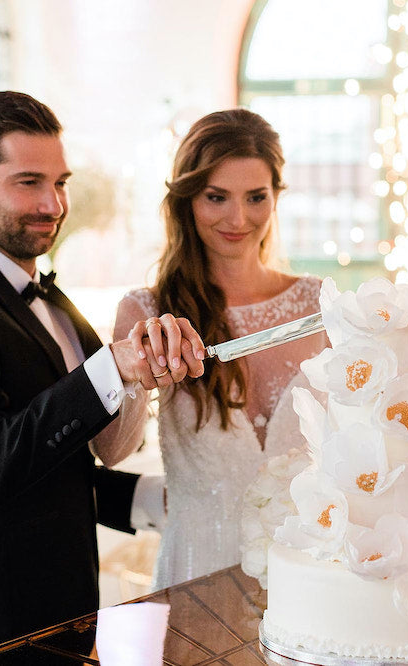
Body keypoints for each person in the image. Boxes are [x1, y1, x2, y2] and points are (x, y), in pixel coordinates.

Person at [0, 90, 205, 665]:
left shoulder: (57, 306)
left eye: (60, 183)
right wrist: (113, 366)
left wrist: (167, 500)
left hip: (65, 621)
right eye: (28, 182)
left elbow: (57, 467)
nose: (53, 203)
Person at [92, 108, 328, 589]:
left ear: (276, 198)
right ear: (186, 201)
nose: (238, 219)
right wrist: (137, 372)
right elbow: (112, 451)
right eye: (216, 197)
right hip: (197, 572)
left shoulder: (318, 304)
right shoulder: (147, 311)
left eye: (256, 197)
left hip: (311, 572)